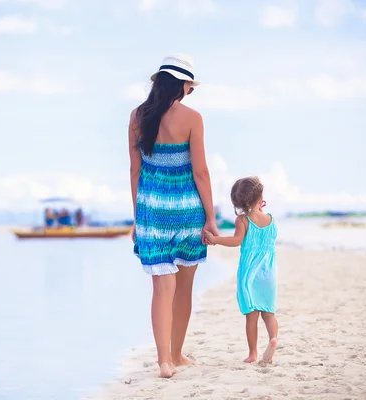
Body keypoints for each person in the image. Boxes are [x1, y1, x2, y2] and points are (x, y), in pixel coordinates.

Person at [129, 53, 219, 378]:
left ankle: (165, 361)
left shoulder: (137, 117)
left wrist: (138, 219)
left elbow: (135, 170)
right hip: (186, 210)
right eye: (190, 87)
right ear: (182, 85)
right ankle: (178, 354)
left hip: (152, 210)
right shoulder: (193, 118)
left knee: (161, 290)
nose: (189, 92)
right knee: (184, 290)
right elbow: (201, 172)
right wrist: (211, 218)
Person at [204, 177, 279, 364]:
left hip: (250, 275)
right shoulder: (271, 219)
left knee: (251, 316)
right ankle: (273, 339)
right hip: (269, 273)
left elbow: (236, 241)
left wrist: (216, 239)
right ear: (260, 197)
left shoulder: (243, 220)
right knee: (269, 313)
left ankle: (253, 353)